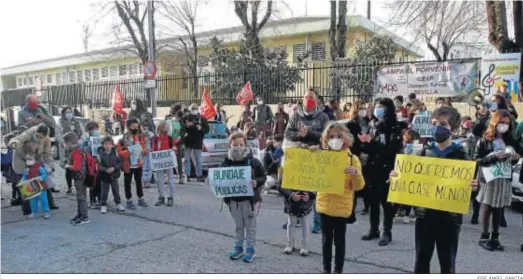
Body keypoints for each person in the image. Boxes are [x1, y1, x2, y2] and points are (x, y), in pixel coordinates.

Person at [389, 106, 478, 274]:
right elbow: (412, 181)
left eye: (443, 124)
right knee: (421, 260)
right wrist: (398, 177)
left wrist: (474, 187)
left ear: (453, 127)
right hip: (425, 216)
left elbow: (468, 192)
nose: (437, 127)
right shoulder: (425, 152)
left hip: (449, 219)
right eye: (434, 123)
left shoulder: (461, 154)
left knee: (447, 262)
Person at [316, 122, 365, 274]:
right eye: (331, 137)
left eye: (338, 136)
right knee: (326, 241)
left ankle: (338, 271)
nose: (335, 139)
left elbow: (359, 186)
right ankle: (326, 270)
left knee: (340, 242)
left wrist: (355, 175)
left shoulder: (352, 159)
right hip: (325, 205)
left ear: (345, 138)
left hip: (342, 208)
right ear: (326, 138)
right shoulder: (322, 155)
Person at [474, 109, 522, 251]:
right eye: (501, 122)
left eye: (507, 123)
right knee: (487, 205)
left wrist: (516, 157)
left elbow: (520, 152)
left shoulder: (510, 140)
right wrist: (494, 157)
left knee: (499, 207)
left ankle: (495, 238)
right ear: (495, 122)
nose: (504, 125)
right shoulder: (484, 140)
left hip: (503, 177)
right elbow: (477, 159)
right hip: (489, 176)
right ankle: (484, 237)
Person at [284, 88, 330, 234]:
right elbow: (288, 133)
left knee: (315, 189)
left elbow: (326, 135)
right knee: (297, 187)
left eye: (311, 97)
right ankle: (295, 218)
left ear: (316, 100)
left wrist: (309, 133)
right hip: (299, 156)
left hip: (315, 156)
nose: (308, 99)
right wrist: (299, 134)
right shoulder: (295, 115)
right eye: (305, 97)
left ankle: (317, 221)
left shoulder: (323, 117)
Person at [359, 98, 403, 246]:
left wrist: (372, 143)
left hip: (387, 169)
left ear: (388, 109)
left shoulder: (394, 128)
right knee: (373, 201)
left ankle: (387, 232)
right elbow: (368, 147)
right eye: (376, 106)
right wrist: (364, 143)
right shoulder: (372, 125)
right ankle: (373, 229)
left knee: (386, 203)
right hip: (372, 168)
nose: (378, 109)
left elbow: (391, 150)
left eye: (381, 107)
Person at [222, 132, 266, 263]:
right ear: (230, 146)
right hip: (233, 201)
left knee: (250, 227)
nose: (238, 147)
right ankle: (238, 248)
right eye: (235, 145)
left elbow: (263, 176)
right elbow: (219, 177)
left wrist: (256, 182)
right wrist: (212, 180)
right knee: (238, 226)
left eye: (241, 144)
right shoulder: (226, 162)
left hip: (248, 201)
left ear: (245, 145)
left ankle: (250, 250)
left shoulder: (253, 162)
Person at [8, 124, 58, 211]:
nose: (38, 138)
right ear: (35, 132)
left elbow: (47, 154)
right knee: (24, 185)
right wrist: (14, 143)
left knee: (44, 182)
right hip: (21, 160)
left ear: (45, 136)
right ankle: (27, 209)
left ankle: (50, 204)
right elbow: (19, 139)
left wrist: (50, 166)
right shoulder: (29, 133)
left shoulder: (47, 140)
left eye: (41, 137)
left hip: (36, 160)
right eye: (37, 136)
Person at [117, 118, 149, 209]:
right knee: (127, 183)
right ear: (128, 127)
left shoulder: (139, 137)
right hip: (128, 165)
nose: (135, 129)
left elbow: (143, 148)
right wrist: (128, 152)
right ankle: (129, 200)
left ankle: (141, 198)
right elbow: (119, 151)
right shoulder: (122, 140)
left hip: (138, 164)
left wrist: (144, 152)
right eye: (133, 127)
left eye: (136, 127)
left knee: (139, 181)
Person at [63, 132, 91, 225]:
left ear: (70, 142)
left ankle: (84, 217)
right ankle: (80, 214)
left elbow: (77, 167)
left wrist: (67, 166)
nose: (65, 145)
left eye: (66, 143)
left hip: (80, 177)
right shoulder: (80, 148)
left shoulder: (77, 151)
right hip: (83, 176)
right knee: (80, 197)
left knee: (81, 197)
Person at [181, 104, 209, 182]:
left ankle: (199, 175)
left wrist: (201, 128)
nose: (194, 110)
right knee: (186, 159)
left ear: (198, 109)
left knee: (198, 160)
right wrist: (186, 126)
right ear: (190, 110)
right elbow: (181, 130)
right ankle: (187, 175)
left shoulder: (202, 118)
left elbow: (207, 130)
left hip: (198, 141)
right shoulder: (185, 118)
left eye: (195, 109)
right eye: (192, 109)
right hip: (187, 142)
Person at [152, 121, 177, 207]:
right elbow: (153, 150)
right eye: (165, 127)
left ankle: (171, 197)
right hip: (159, 162)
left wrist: (174, 148)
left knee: (170, 179)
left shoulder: (169, 138)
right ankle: (161, 197)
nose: (167, 128)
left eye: (167, 127)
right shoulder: (156, 139)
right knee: (159, 180)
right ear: (160, 128)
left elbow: (174, 146)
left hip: (168, 161)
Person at [97, 136, 125, 214]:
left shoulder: (116, 153)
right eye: (106, 144)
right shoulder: (100, 154)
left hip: (114, 175)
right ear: (103, 145)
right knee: (104, 191)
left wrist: (115, 168)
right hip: (104, 176)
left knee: (116, 190)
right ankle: (103, 204)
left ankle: (118, 203)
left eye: (110, 144)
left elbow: (120, 162)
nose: (108, 146)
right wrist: (105, 169)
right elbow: (98, 165)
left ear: (113, 145)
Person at [60, 107, 82, 194]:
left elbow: (82, 133)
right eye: (67, 112)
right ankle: (69, 187)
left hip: (77, 146)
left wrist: (80, 141)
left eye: (70, 112)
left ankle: (78, 185)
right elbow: (58, 135)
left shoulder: (77, 122)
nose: (69, 114)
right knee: (68, 168)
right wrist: (64, 143)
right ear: (63, 114)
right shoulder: (61, 123)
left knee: (77, 166)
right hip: (67, 148)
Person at [22, 155, 50, 219]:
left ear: (35, 160)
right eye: (27, 160)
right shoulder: (26, 169)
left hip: (41, 186)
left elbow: (45, 175)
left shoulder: (39, 167)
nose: (28, 161)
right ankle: (34, 212)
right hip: (32, 187)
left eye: (30, 160)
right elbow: (24, 177)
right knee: (33, 200)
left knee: (43, 199)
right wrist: (22, 181)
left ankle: (46, 211)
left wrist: (41, 177)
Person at [82, 121, 102, 208]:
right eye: (94, 129)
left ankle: (100, 199)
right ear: (89, 131)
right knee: (92, 183)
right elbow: (84, 151)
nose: (96, 130)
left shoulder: (100, 139)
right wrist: (89, 146)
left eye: (96, 129)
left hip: (100, 164)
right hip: (90, 165)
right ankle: (92, 201)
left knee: (99, 183)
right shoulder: (86, 141)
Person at [166, 104, 185, 184]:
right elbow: (165, 127)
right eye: (180, 109)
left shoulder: (181, 118)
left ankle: (181, 177)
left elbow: (184, 129)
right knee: (169, 159)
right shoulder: (168, 117)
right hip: (169, 142)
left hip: (178, 142)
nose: (181, 111)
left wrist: (180, 136)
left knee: (179, 160)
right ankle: (169, 176)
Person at [141, 120, 155, 189]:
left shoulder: (151, 134)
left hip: (149, 151)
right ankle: (143, 181)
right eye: (144, 126)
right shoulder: (140, 134)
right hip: (142, 152)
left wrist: (152, 150)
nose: (146, 128)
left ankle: (148, 182)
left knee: (150, 167)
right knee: (143, 167)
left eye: (147, 126)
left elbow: (153, 143)